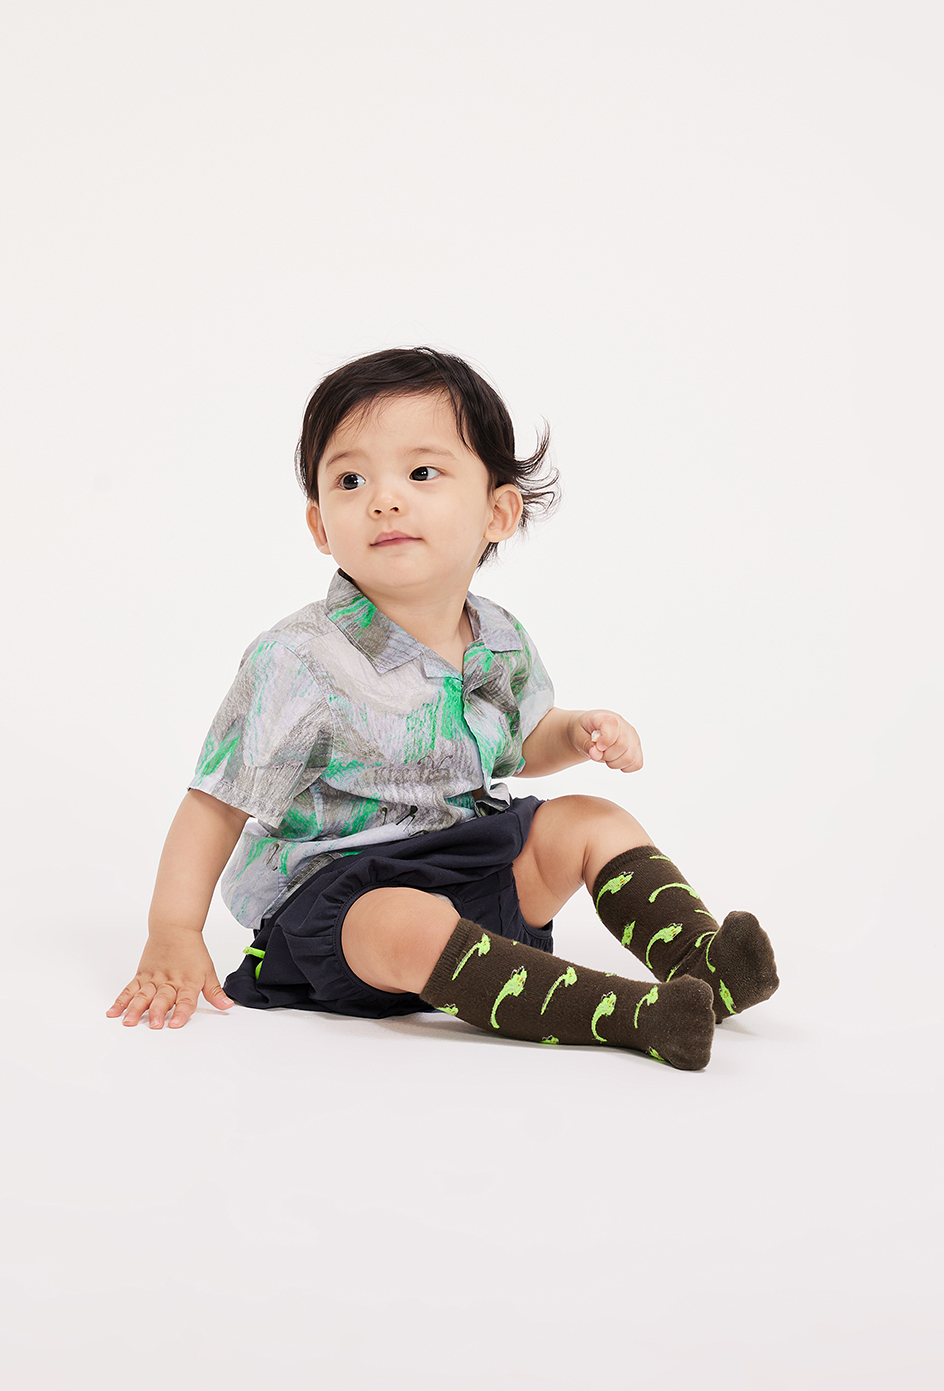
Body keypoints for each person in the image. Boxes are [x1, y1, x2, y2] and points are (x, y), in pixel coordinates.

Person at [107, 348, 778, 1068]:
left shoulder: (499, 637)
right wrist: (174, 929)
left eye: (422, 473)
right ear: (320, 526)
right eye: (351, 479)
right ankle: (634, 1016)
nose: (384, 499)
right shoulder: (298, 659)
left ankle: (701, 964)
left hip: (473, 863)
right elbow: (216, 803)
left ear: (498, 512)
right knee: (405, 920)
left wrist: (576, 733)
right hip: (345, 904)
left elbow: (522, 742)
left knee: (590, 818)